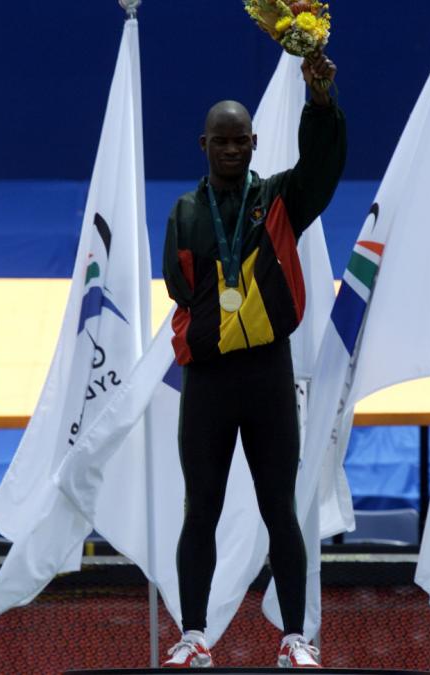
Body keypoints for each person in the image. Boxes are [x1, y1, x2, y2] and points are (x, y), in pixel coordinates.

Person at [159, 53, 345, 669]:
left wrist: (320, 101)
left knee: (279, 510)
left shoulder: (281, 201)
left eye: (242, 141)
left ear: (255, 142)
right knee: (200, 510)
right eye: (222, 141)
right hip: (209, 380)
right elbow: (180, 289)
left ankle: (295, 638)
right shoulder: (185, 214)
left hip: (268, 372)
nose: (232, 150)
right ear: (203, 144)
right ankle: (193, 636)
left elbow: (322, 165)